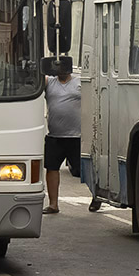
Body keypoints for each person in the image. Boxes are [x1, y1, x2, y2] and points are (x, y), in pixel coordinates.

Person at [42, 65, 80, 214]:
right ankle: (53, 204)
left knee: (83, 170)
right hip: (55, 137)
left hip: (76, 136)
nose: (62, 70)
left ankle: (95, 197)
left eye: (65, 67)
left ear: (70, 69)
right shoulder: (49, 83)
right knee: (51, 168)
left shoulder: (79, 83)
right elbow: (35, 79)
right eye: (59, 67)